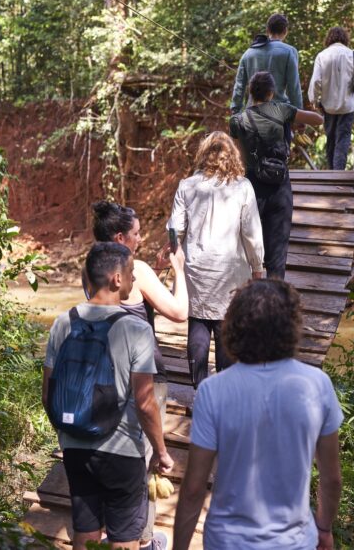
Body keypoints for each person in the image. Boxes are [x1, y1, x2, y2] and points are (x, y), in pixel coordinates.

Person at [172, 280, 344, 550]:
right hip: (294, 542)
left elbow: (193, 488)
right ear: (292, 327)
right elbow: (331, 478)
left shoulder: (213, 390)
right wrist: (323, 528)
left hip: (227, 541)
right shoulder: (317, 385)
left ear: (235, 327)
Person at [42, 242, 175, 550]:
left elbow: (47, 394)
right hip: (122, 450)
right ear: (116, 279)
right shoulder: (136, 329)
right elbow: (144, 403)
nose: (133, 280)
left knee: (85, 531)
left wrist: (69, 436)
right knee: (124, 538)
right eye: (131, 273)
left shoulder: (64, 322)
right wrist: (161, 451)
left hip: (75, 447)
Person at [92, 201, 189, 549]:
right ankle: (143, 539)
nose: (141, 239)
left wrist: (154, 273)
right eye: (135, 234)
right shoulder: (138, 268)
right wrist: (177, 270)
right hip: (145, 374)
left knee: (112, 451)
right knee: (143, 458)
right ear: (121, 237)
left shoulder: (94, 268)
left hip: (105, 375)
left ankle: (108, 530)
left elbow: (130, 300)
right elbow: (179, 312)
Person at [168, 131, 265, 388]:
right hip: (231, 271)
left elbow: (174, 229)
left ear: (203, 154)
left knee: (198, 326)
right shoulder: (243, 187)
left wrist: (174, 256)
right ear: (232, 155)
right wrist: (258, 268)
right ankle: (223, 392)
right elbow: (252, 234)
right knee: (226, 329)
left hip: (197, 268)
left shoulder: (187, 186)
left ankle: (200, 390)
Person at [230, 71, 323, 279]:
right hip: (280, 187)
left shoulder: (238, 120)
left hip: (251, 189)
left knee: (248, 249)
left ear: (250, 93)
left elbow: (238, 142)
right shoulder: (282, 110)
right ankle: (275, 300)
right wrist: (290, 118)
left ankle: (250, 298)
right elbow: (317, 119)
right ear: (272, 92)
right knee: (277, 255)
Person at [307, 26, 354, 170]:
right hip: (348, 106)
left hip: (328, 106)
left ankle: (331, 171)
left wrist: (313, 99)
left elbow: (315, 81)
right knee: (343, 138)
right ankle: (338, 172)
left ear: (329, 39)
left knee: (331, 138)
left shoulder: (322, 55)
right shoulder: (352, 54)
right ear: (345, 39)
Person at [230, 13, 303, 113]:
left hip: (252, 114)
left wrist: (235, 110)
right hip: (279, 113)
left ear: (267, 30)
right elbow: (293, 87)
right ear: (285, 31)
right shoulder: (289, 52)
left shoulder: (248, 54)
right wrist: (298, 112)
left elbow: (239, 87)